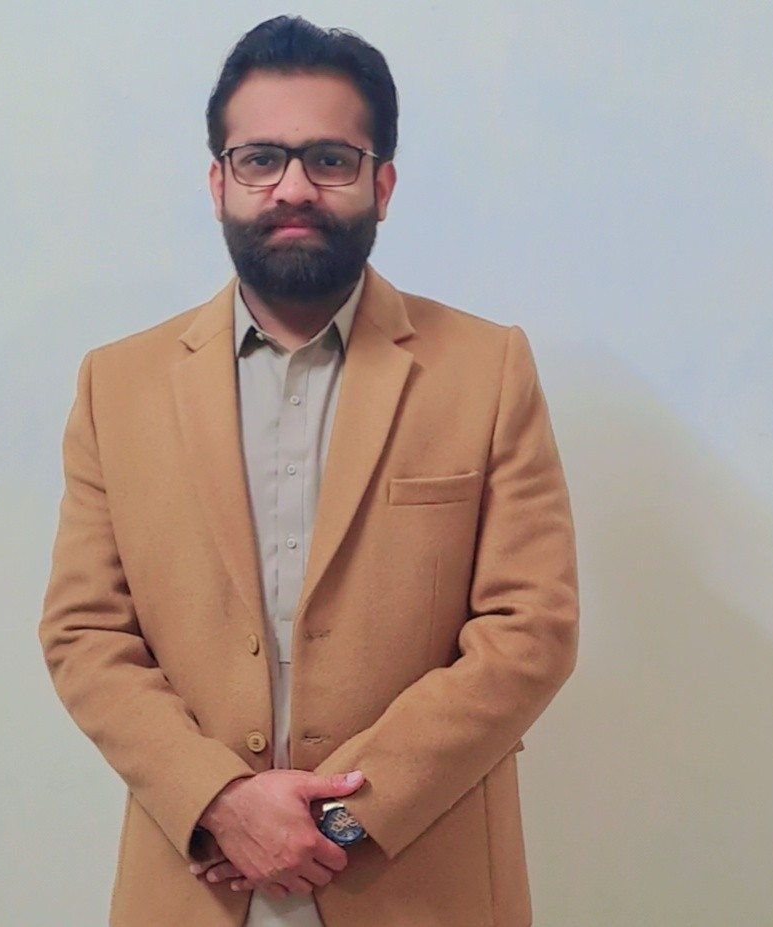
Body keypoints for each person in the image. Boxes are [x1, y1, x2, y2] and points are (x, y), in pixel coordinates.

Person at [40, 15, 578, 927]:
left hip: (421, 880)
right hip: (195, 880)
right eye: (260, 159)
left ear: (382, 184)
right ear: (219, 182)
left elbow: (531, 629)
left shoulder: (485, 370)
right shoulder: (116, 385)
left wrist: (342, 815)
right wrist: (218, 800)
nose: (293, 187)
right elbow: (85, 631)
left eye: (330, 159)